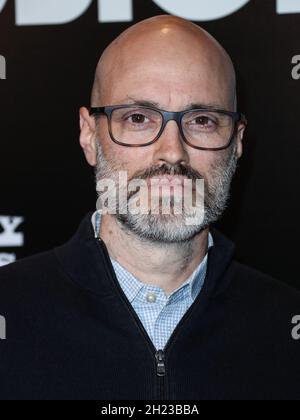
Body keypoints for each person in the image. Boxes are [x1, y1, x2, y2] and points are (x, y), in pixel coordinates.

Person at [0, 15, 299, 401]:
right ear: (89, 136)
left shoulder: (285, 332)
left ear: (236, 142)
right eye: (138, 118)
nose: (172, 152)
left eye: (202, 120)